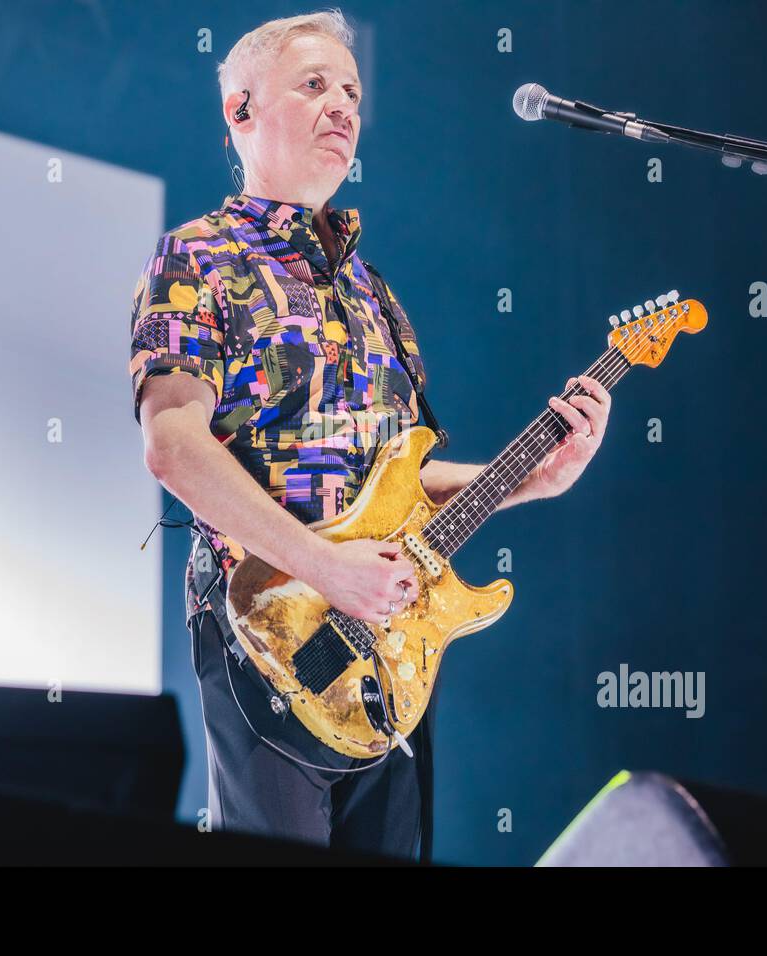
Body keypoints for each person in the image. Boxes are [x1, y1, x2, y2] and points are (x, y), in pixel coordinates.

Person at [130, 9, 611, 861]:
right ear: (240, 111)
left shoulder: (373, 292)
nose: (344, 107)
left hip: (391, 651)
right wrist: (327, 567)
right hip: (274, 634)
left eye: (352, 91)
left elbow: (405, 483)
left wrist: (534, 478)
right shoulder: (197, 257)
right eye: (314, 85)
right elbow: (175, 445)